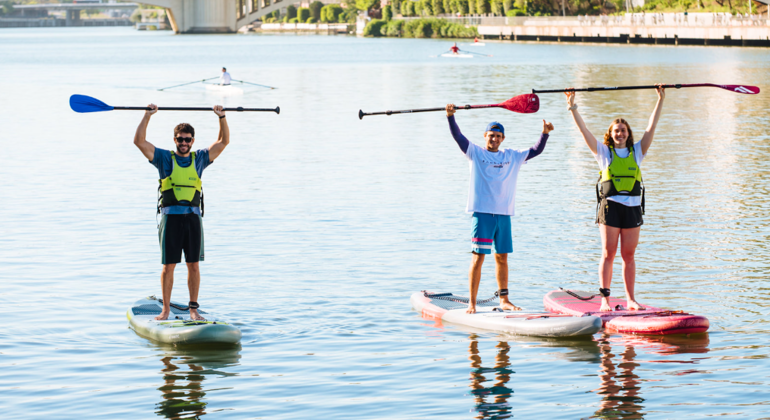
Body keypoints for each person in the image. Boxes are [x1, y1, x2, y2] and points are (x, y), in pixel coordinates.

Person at [446, 104, 554, 314]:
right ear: (485, 136)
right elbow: (458, 137)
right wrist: (450, 117)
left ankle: (504, 300)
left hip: (504, 215)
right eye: (491, 135)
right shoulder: (475, 153)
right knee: (478, 257)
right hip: (482, 214)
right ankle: (472, 303)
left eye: (498, 136)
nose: (494, 139)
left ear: (503, 138)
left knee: (502, 257)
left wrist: (545, 134)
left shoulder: (511, 156)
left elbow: (536, 150)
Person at [565, 85, 665, 312]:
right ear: (610, 134)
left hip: (632, 208)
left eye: (623, 130)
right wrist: (572, 108)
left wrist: (660, 100)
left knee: (628, 255)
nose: (620, 133)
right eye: (616, 131)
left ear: (628, 133)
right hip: (610, 208)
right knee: (608, 253)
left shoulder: (638, 152)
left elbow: (651, 127)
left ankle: (631, 300)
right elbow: (584, 132)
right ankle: (605, 301)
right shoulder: (603, 153)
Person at [133, 104, 230, 321]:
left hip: (193, 219)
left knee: (193, 265)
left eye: (187, 139)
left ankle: (193, 310)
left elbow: (223, 142)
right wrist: (147, 115)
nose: (184, 143)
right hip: (171, 220)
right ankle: (165, 310)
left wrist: (221, 117)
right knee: (169, 266)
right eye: (180, 139)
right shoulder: (164, 159)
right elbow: (139, 141)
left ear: (192, 141)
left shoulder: (200, 159)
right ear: (174, 140)